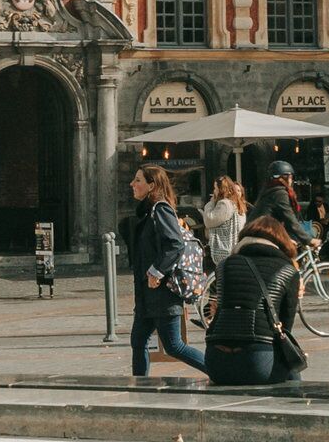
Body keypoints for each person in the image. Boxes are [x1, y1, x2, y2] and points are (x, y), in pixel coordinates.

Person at [126, 163, 210, 377]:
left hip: (163, 293)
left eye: (138, 180)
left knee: (174, 345)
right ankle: (140, 385)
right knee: (138, 340)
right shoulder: (146, 212)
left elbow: (174, 244)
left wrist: (156, 271)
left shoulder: (160, 209)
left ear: (152, 185)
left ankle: (218, 371)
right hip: (147, 294)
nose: (132, 184)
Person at [206, 215, 308, 387]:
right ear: (281, 242)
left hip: (216, 363)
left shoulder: (225, 265)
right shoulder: (288, 270)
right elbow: (285, 329)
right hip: (258, 363)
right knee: (293, 374)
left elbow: (217, 310)